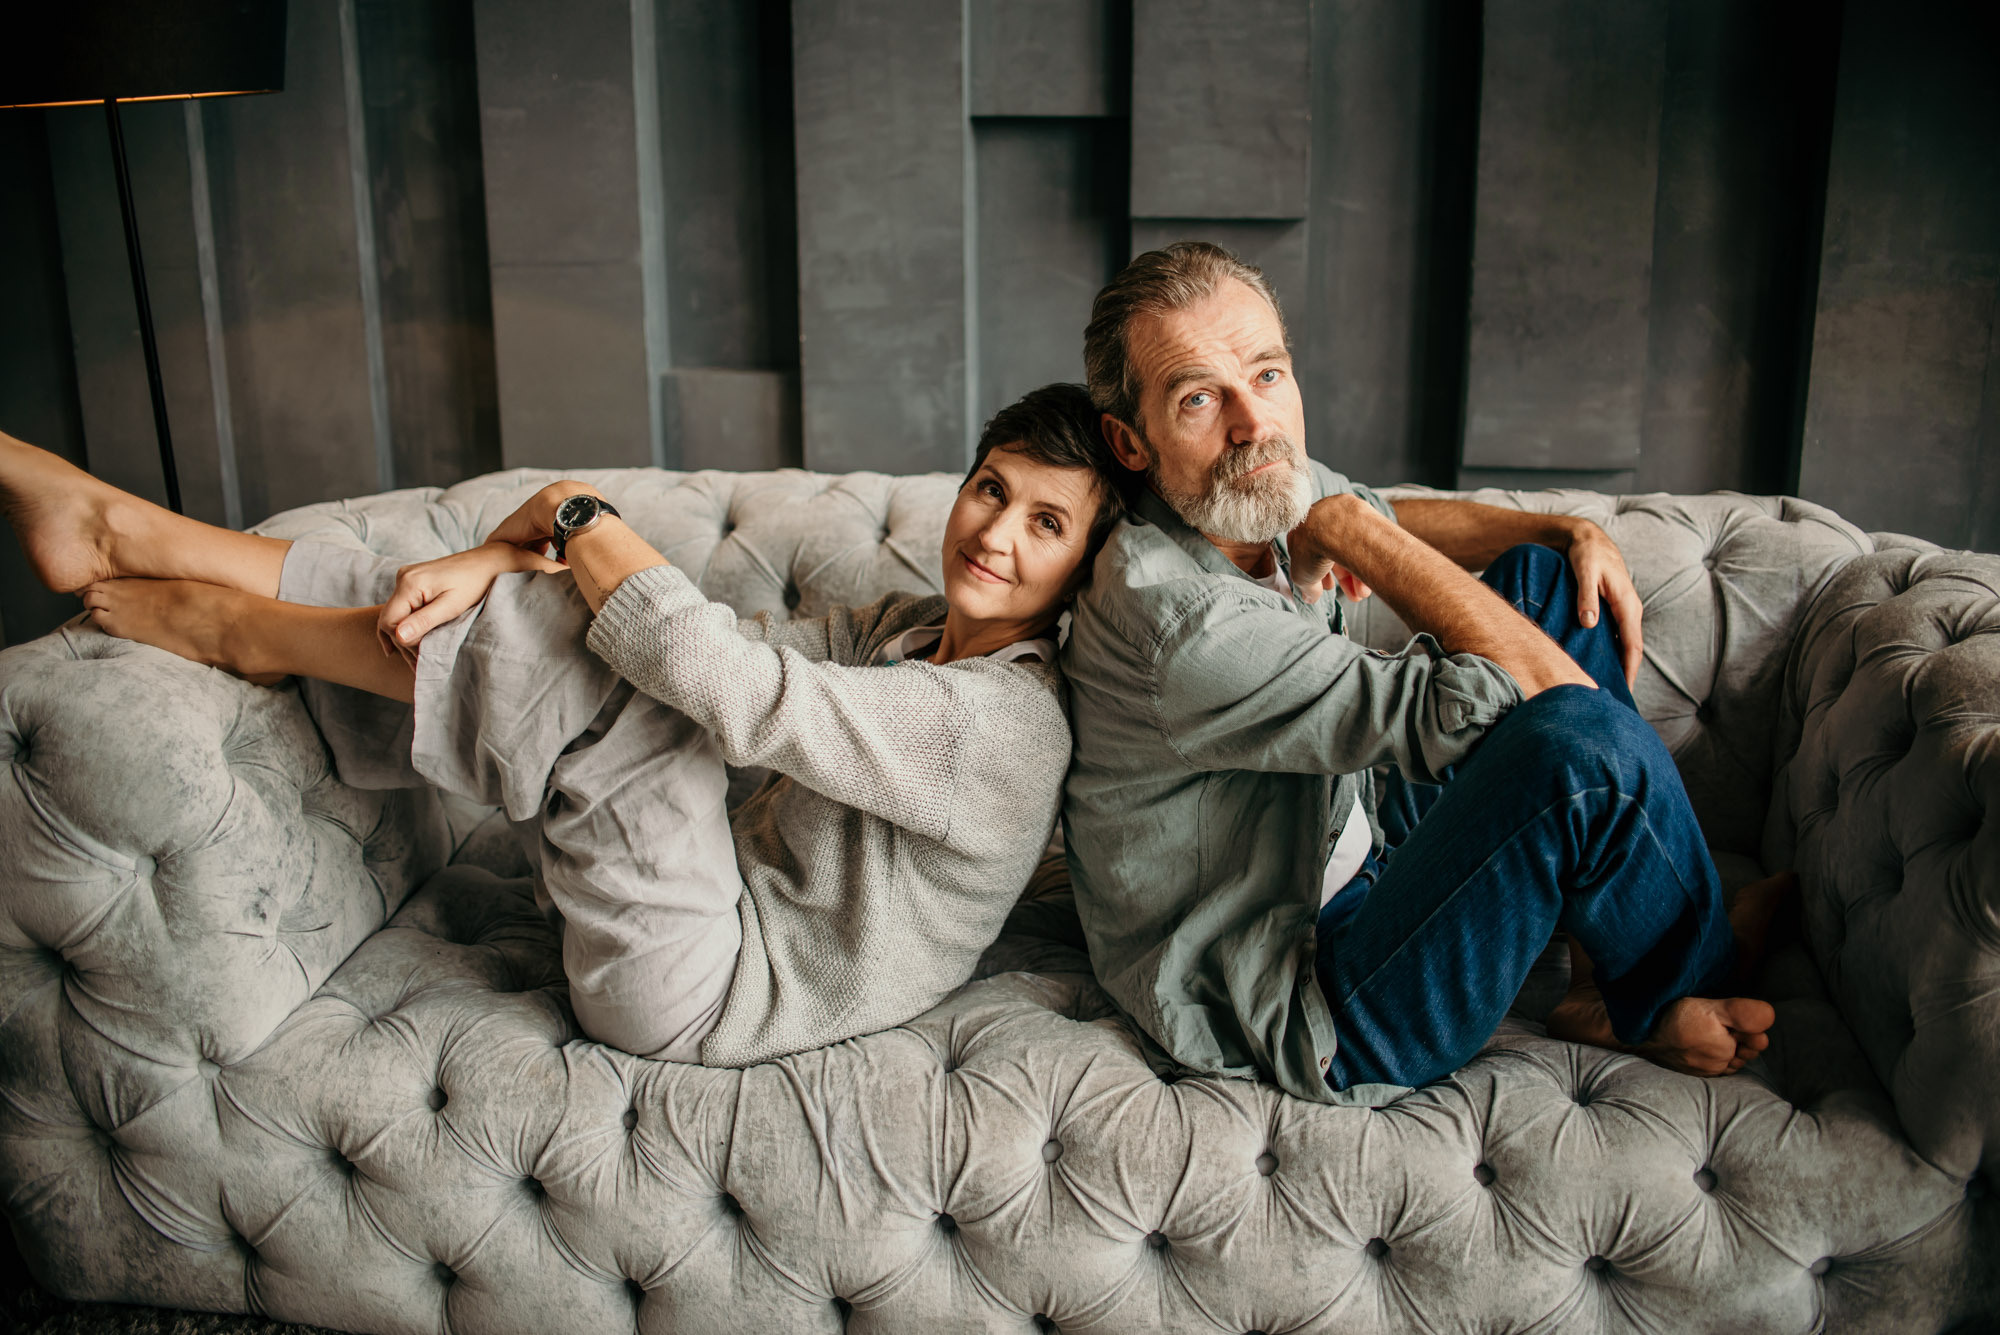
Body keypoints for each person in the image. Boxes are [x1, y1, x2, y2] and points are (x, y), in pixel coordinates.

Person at [0, 382, 1125, 1068]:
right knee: (573, 622)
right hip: (682, 909)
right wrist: (498, 551)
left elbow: (718, 681)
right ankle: (127, 534)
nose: (995, 533)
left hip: (703, 991)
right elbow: (694, 635)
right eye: (989, 488)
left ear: (1085, 569)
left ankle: (237, 622)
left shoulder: (1002, 725)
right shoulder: (909, 627)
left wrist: (571, 512)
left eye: (1045, 522)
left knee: (622, 665)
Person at [1060, 241, 1789, 1102]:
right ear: (1130, 441)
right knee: (1583, 750)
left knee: (1547, 586)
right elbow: (1544, 696)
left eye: (1266, 374)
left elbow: (1374, 507)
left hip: (1344, 829)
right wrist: (1356, 535)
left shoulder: (1240, 488)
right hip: (1319, 992)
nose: (1253, 424)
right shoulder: (1174, 617)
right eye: (1198, 397)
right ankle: (1684, 982)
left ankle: (1606, 978)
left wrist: (1556, 531)